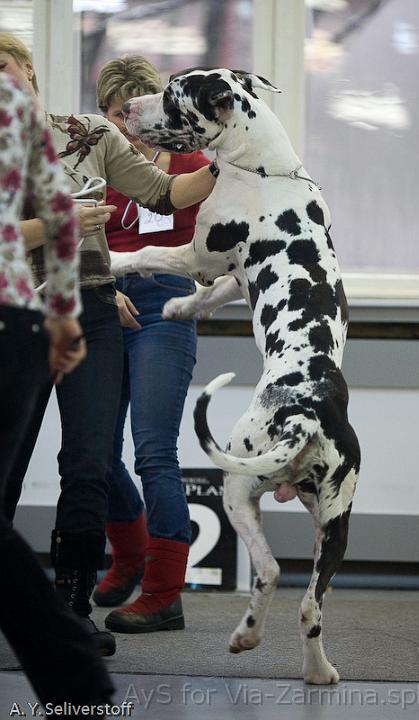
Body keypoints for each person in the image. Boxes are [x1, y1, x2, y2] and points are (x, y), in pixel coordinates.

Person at [0, 32, 216, 656]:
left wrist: (235, 158)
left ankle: (73, 608)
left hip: (91, 305)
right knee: (6, 469)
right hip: (16, 312)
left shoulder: (90, 134)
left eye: (3, 66)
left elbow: (165, 191)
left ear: (31, 72)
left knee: (90, 463)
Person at [0, 71, 114, 711]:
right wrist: (66, 315)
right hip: (21, 317)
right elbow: (61, 211)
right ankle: (76, 679)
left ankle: (76, 678)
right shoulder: (16, 105)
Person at [91, 56, 209, 633]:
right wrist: (103, 285)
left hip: (166, 303)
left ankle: (164, 592)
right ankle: (131, 552)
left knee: (154, 451)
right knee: (93, 452)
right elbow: (74, 237)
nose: (129, 127)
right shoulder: (94, 161)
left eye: (138, 114)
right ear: (104, 115)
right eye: (118, 115)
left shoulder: (191, 163)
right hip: (102, 297)